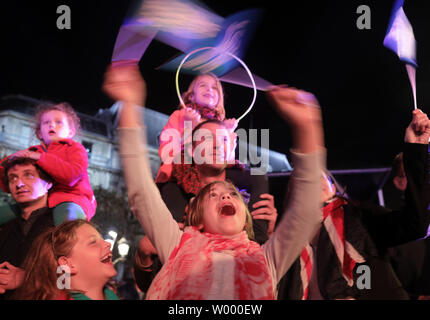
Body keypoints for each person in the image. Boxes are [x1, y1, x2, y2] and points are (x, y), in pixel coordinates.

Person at [103, 63, 325, 299]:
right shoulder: (177, 246)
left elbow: (305, 212)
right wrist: (129, 106)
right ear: (194, 213)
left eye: (233, 195)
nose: (226, 195)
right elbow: (140, 191)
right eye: (213, 195)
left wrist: (308, 126)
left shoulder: (264, 258)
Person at [278, 109, 430, 300]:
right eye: (302, 180)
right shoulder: (283, 241)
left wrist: (416, 150)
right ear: (291, 195)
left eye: (319, 178)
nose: (312, 182)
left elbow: (415, 225)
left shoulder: (359, 217)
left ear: (333, 188)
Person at [0, 102, 97, 226]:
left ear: (70, 132)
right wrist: (7, 163)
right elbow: (5, 183)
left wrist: (38, 157)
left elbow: (71, 176)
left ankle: (74, 239)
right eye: (46, 122)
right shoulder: (34, 151)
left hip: (72, 199)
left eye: (58, 122)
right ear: (39, 133)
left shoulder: (75, 149)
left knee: (67, 223)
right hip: (40, 201)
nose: (52, 124)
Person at [155, 73, 237, 184]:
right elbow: (167, 151)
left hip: (212, 179)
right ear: (191, 96)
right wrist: (190, 127)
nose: (209, 90)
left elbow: (229, 160)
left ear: (219, 97)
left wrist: (228, 134)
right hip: (179, 176)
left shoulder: (223, 124)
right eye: (203, 85)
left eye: (214, 88)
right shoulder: (180, 115)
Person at [12, 219, 119, 300]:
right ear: (67, 264)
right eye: (93, 242)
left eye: (102, 239)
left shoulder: (112, 296)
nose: (108, 244)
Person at [0, 157, 55, 297]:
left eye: (28, 175)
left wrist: (28, 279)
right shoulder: (5, 226)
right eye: (12, 178)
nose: (18, 184)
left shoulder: (61, 226)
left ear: (48, 183)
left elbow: (68, 282)